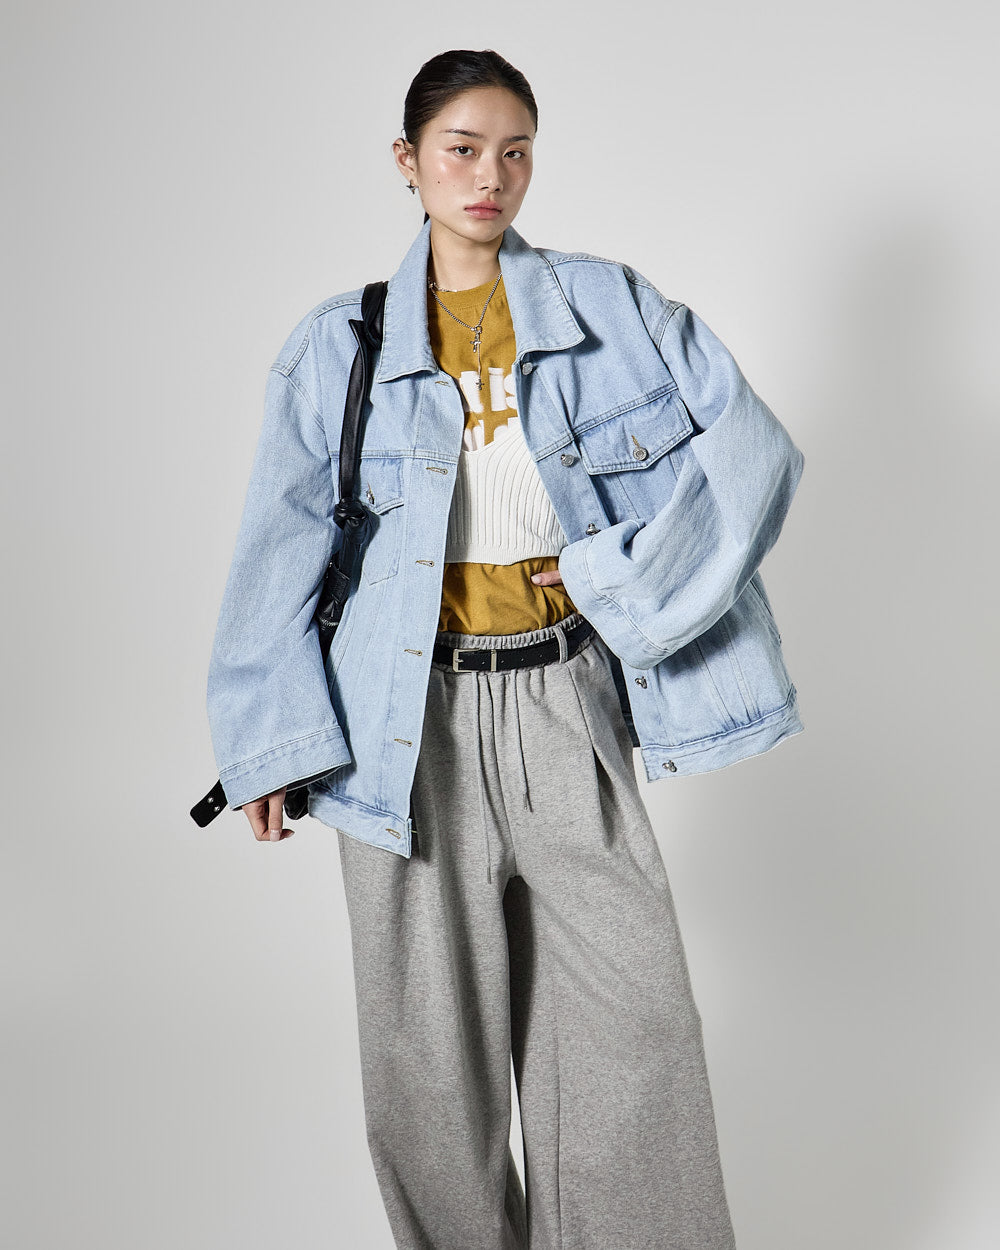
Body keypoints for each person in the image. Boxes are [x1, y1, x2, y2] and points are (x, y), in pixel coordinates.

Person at [204, 47, 805, 1250]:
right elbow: (280, 538)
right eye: (463, 149)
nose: (490, 176)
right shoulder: (340, 343)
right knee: (429, 1063)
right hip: (400, 723)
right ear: (409, 161)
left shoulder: (613, 308)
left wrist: (622, 588)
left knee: (636, 1032)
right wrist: (268, 740)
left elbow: (754, 456)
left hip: (563, 693)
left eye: (514, 151)